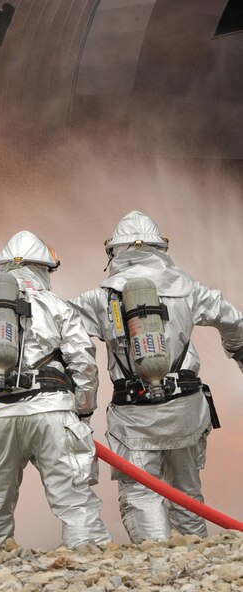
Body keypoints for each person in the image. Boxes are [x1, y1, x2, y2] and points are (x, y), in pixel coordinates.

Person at [71, 210, 243, 543]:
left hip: (132, 414)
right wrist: (239, 356)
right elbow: (234, 320)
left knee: (141, 494)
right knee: (187, 495)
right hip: (187, 411)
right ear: (160, 248)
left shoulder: (100, 297)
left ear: (115, 253)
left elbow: (58, 329)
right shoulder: (188, 288)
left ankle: (156, 563)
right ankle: (197, 568)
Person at [0, 230, 111, 548]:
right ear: (44, 269)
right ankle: (90, 569)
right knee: (75, 502)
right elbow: (84, 364)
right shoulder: (57, 305)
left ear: (2, 269)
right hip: (51, 412)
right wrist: (83, 412)